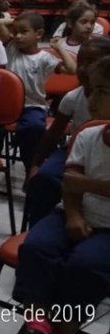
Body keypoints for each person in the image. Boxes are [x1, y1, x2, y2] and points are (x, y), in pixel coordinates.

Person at [11, 55, 110, 334]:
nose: (91, 98)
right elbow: (69, 182)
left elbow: (78, 181)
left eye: (102, 91)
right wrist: (74, 214)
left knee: (85, 265)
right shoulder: (89, 134)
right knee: (37, 246)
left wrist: (86, 184)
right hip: (75, 210)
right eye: (91, 89)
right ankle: (36, 326)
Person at [25, 37, 110, 226]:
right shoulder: (73, 97)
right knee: (45, 178)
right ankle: (40, 225)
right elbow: (52, 134)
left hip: (103, 155)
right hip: (73, 151)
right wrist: (36, 164)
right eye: (81, 62)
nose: (83, 68)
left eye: (92, 62)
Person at [5, 12, 76, 176]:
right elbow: (0, 24)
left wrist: (60, 49)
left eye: (24, 31)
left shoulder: (45, 58)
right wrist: (17, 21)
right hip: (9, 106)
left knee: (33, 126)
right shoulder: (12, 49)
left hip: (32, 106)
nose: (18, 36)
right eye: (15, 32)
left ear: (39, 34)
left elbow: (72, 69)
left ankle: (31, 167)